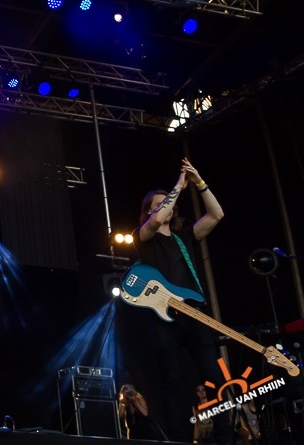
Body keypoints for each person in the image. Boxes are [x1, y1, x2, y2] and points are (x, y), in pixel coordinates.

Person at [135, 158, 233, 445]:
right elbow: (155, 221)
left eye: (169, 203)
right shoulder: (143, 237)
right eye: (159, 204)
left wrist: (199, 181)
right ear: (149, 210)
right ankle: (177, 439)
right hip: (164, 318)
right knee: (172, 381)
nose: (167, 207)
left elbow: (217, 214)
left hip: (194, 314)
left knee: (213, 376)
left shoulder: (184, 237)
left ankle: (225, 437)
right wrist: (178, 185)